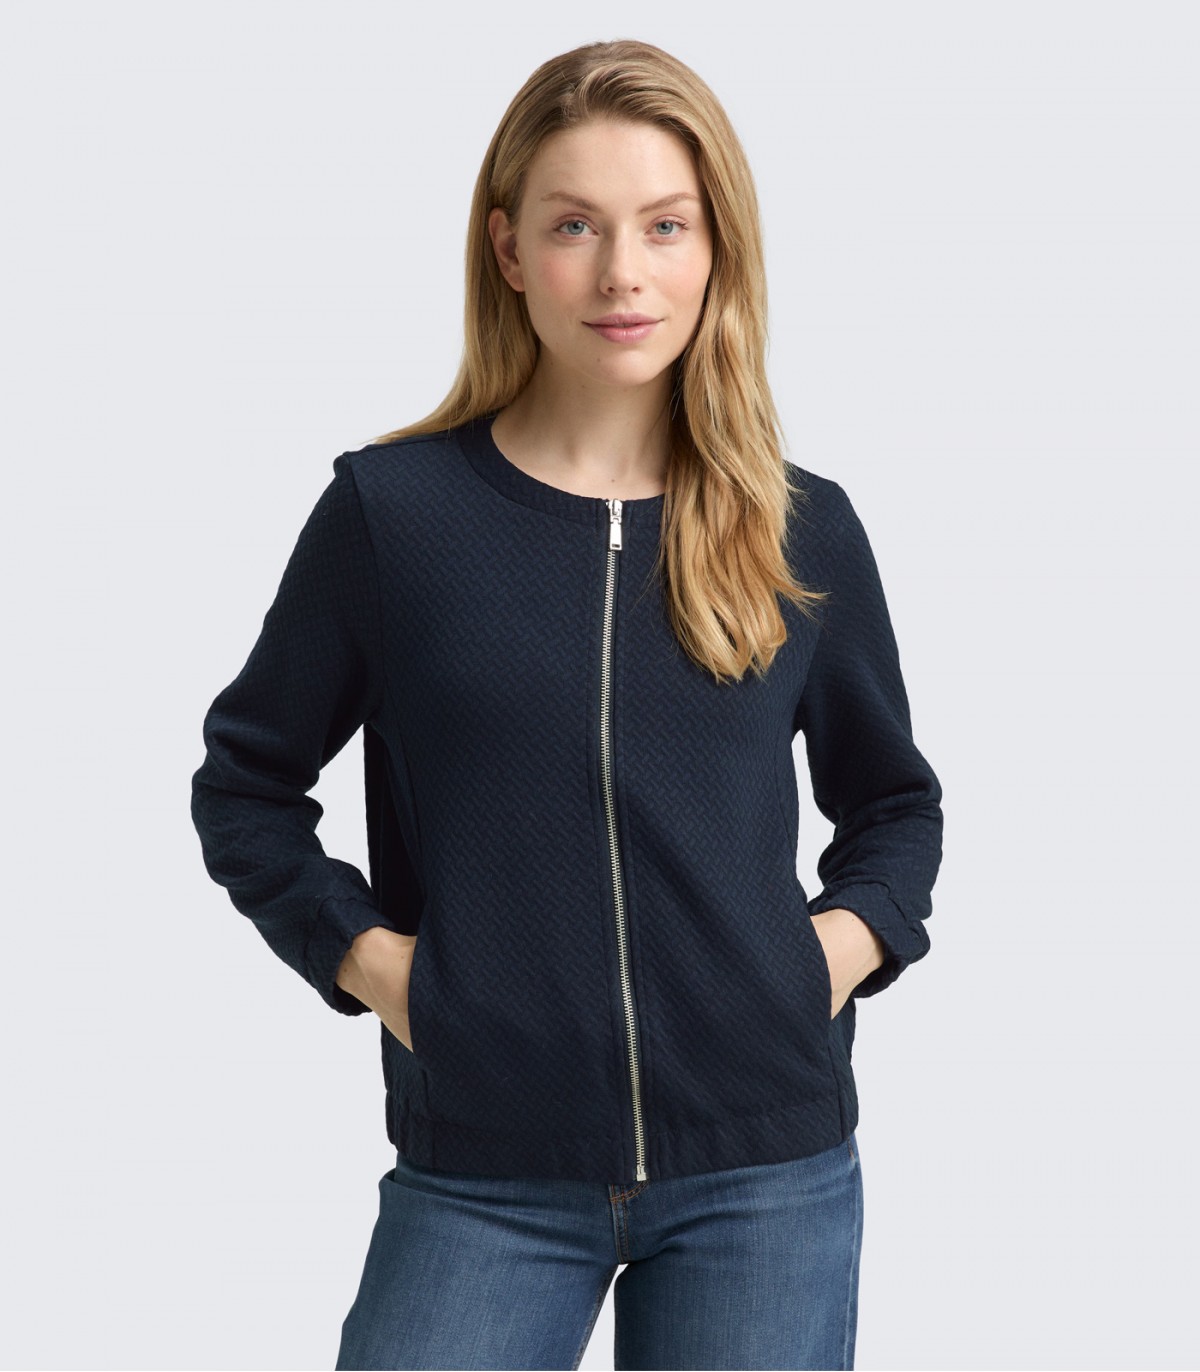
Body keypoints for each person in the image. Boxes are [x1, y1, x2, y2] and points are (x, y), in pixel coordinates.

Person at [190, 37, 944, 1372]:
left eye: (665, 225)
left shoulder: (797, 526)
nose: (621, 274)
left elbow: (894, 805)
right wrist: (371, 963)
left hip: (765, 1173)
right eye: (575, 226)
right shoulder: (393, 517)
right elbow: (246, 784)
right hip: (485, 1172)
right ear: (509, 249)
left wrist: (829, 956)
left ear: (716, 249)